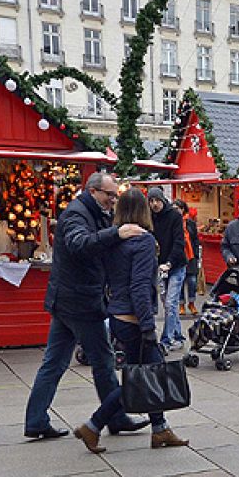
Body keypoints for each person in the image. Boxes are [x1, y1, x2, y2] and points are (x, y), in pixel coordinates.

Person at [22, 172, 150, 440]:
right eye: (109, 195)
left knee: (54, 362)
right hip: (80, 302)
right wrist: (117, 233)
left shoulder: (91, 212)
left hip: (69, 300)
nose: (113, 200)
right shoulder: (76, 215)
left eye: (115, 195)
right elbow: (80, 245)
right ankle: (114, 417)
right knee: (103, 360)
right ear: (93, 191)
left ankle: (36, 420)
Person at [73, 187, 188, 452]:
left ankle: (160, 429)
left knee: (149, 374)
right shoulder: (144, 241)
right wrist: (148, 327)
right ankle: (93, 425)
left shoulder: (114, 240)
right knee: (140, 380)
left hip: (119, 315)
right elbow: (139, 287)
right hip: (135, 319)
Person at [149, 188, 187, 352]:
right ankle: (178, 336)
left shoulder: (174, 216)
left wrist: (170, 263)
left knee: (171, 303)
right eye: (151, 201)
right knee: (167, 305)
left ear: (162, 199)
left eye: (156, 200)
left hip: (176, 266)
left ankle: (166, 340)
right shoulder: (149, 218)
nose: (154, 204)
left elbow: (179, 242)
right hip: (160, 266)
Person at [176, 198, 203, 314]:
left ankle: (191, 303)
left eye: (178, 209)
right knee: (180, 281)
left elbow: (195, 240)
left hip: (191, 256)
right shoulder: (172, 223)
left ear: (183, 209)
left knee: (192, 281)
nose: (176, 211)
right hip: (178, 256)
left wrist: (197, 255)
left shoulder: (190, 223)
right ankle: (181, 305)